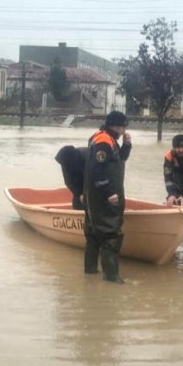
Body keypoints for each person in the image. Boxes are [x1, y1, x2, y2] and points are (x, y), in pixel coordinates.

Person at [83, 110, 132, 284]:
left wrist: (126, 145)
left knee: (93, 235)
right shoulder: (104, 141)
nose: (124, 131)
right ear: (116, 126)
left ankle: (90, 273)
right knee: (110, 235)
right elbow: (98, 170)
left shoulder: (102, 138)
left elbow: (118, 160)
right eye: (122, 127)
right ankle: (111, 278)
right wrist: (109, 193)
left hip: (93, 197)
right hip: (104, 198)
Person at [54, 145, 87, 210]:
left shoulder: (88, 157)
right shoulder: (65, 161)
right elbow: (68, 181)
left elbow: (95, 178)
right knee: (77, 201)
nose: (64, 166)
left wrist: (86, 193)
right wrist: (79, 193)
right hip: (78, 178)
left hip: (94, 177)